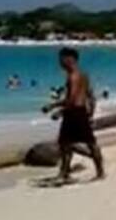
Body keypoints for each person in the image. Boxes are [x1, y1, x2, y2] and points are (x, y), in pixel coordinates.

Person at [43, 47, 104, 182]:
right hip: (81, 111)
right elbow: (91, 96)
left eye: (61, 59)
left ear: (69, 59)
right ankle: (100, 172)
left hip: (74, 112)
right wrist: (91, 113)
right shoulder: (83, 74)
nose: (60, 62)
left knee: (65, 143)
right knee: (88, 143)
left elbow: (72, 98)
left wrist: (57, 109)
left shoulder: (73, 76)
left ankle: (64, 173)